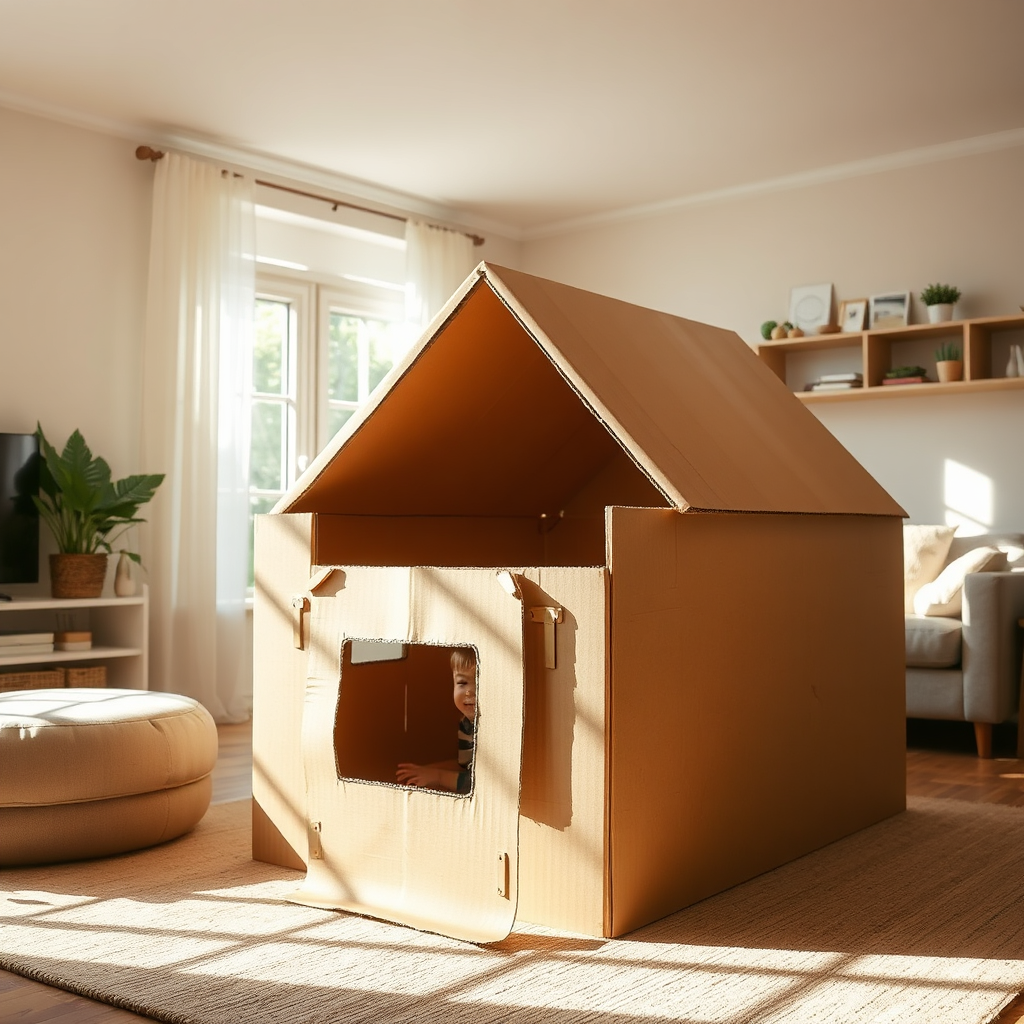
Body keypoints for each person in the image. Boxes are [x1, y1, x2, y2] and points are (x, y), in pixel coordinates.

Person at [396, 647, 476, 793]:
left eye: (477, 681)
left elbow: (477, 783)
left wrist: (438, 776)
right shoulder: (466, 724)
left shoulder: (495, 729)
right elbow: (465, 766)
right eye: (462, 683)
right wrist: (426, 770)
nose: (469, 691)